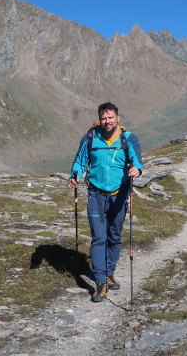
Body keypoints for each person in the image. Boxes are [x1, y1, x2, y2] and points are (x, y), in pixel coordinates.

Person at [67, 102, 142, 302]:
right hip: (96, 195)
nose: (107, 121)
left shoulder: (128, 139)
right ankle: (100, 282)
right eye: (103, 118)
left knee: (114, 236)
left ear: (118, 118)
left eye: (110, 117)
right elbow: (80, 160)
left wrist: (136, 169)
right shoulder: (91, 137)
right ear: (100, 119)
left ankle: (109, 272)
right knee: (99, 238)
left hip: (119, 195)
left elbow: (137, 160)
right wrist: (75, 175)